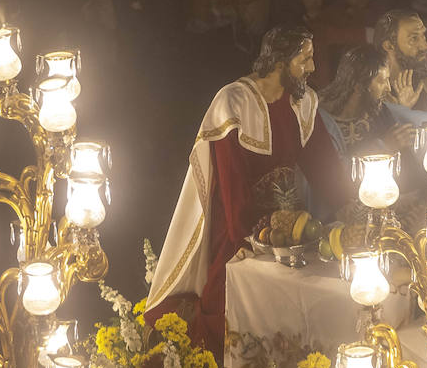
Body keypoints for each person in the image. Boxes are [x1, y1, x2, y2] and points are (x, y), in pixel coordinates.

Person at [146, 27, 353, 347]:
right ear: (281, 61)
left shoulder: (304, 101)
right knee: (225, 294)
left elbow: (323, 163)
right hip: (234, 223)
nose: (312, 68)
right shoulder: (234, 101)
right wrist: (243, 237)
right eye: (305, 59)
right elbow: (232, 181)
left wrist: (350, 203)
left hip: (289, 222)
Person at [318, 44, 417, 157]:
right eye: (382, 81)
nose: (388, 88)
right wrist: (384, 147)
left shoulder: (380, 111)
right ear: (359, 86)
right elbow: (332, 167)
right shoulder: (320, 121)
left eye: (388, 80)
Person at [373, 8, 427, 113]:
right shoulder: (372, 95)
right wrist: (401, 111)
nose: (425, 46)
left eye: (423, 36)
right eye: (413, 39)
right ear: (389, 46)